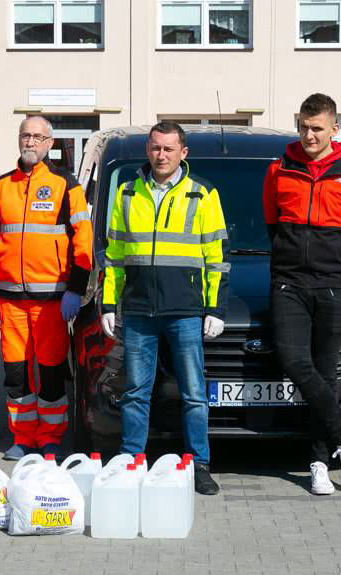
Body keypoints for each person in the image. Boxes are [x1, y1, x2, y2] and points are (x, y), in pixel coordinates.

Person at [101, 121, 229, 495]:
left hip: (185, 310)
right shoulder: (127, 192)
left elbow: (217, 257)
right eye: (156, 148)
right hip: (139, 309)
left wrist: (215, 308)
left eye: (169, 149)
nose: (161, 155)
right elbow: (114, 255)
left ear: (182, 153)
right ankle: (131, 463)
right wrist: (109, 302)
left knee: (194, 394)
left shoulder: (202, 194)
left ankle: (199, 465)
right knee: (135, 393)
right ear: (148, 150)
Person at [262, 94, 341, 495]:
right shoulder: (278, 170)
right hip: (289, 282)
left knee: (325, 374)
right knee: (294, 361)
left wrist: (339, 266)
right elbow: (273, 226)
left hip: (333, 284)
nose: (309, 135)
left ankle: (318, 463)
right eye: (304, 127)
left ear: (334, 129)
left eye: (317, 128)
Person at [0, 116, 92, 460]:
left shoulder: (65, 184)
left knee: (51, 370)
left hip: (53, 300)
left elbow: (83, 241)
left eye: (38, 137)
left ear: (50, 143)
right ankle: (22, 435)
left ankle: (51, 437)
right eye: (26, 135)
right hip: (10, 298)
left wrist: (76, 289)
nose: (31, 142)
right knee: (15, 371)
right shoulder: (1, 186)